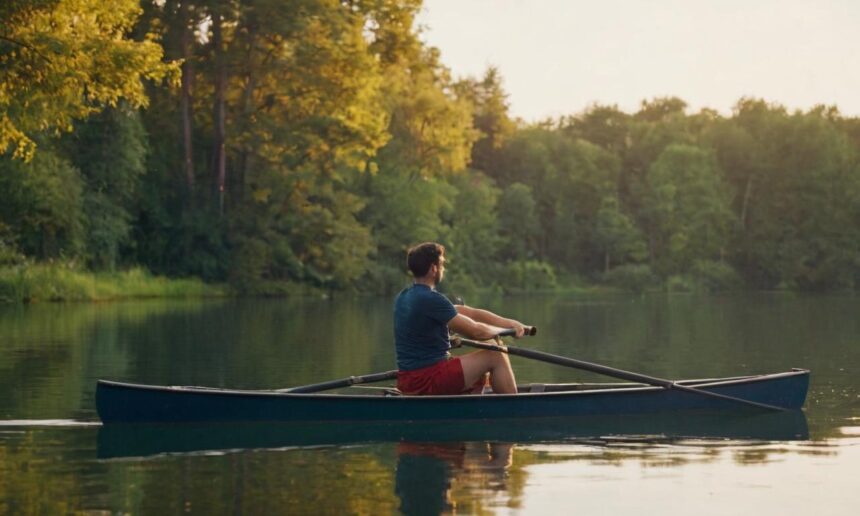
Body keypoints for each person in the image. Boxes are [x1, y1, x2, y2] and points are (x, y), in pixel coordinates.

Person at [394, 242, 527, 395]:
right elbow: (476, 332)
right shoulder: (430, 299)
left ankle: (475, 408)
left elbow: (471, 313)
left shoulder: (404, 296)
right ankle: (514, 408)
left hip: (409, 379)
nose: (443, 268)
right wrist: (506, 331)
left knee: (482, 355)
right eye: (442, 264)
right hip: (426, 380)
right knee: (495, 353)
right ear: (433, 268)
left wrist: (511, 323)